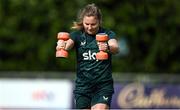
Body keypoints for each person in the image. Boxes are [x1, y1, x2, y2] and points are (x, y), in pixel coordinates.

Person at [57, 3, 119, 110]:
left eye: (93, 24)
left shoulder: (107, 34)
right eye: (87, 24)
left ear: (99, 21)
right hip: (83, 87)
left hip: (102, 86)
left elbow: (115, 47)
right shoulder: (77, 35)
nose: (89, 28)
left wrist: (107, 47)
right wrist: (61, 45)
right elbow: (68, 45)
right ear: (83, 21)